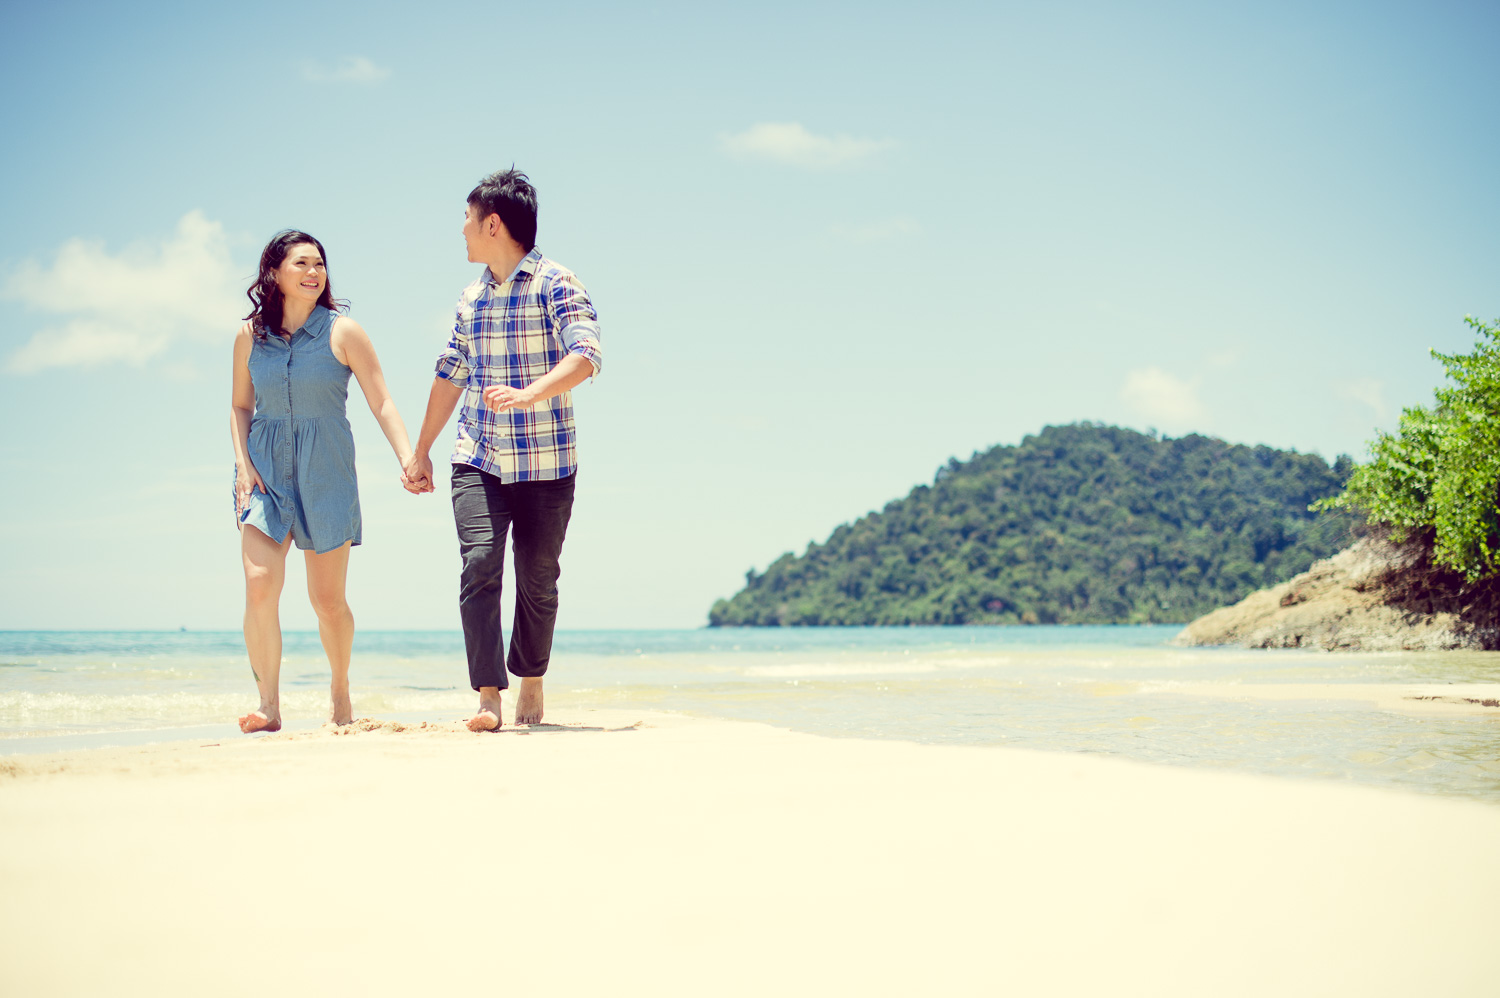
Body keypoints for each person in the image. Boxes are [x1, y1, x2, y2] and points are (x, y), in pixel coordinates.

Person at [403, 169, 602, 732]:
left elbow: (586, 354)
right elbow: (452, 371)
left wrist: (529, 394)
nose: (462, 230)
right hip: (479, 454)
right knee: (479, 563)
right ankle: (488, 695)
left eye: (467, 219)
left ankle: (531, 676)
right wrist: (421, 449)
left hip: (546, 459)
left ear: (492, 224)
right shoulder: (470, 297)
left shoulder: (557, 282)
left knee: (538, 579)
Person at [230, 230, 418, 733]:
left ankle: (339, 688)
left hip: (327, 473)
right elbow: (241, 405)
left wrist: (407, 457)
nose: (314, 272)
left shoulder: (343, 332)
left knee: (327, 602)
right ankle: (268, 705)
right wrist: (244, 465)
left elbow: (381, 400)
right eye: (301, 263)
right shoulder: (250, 336)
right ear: (274, 273)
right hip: (265, 474)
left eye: (320, 263)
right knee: (259, 584)